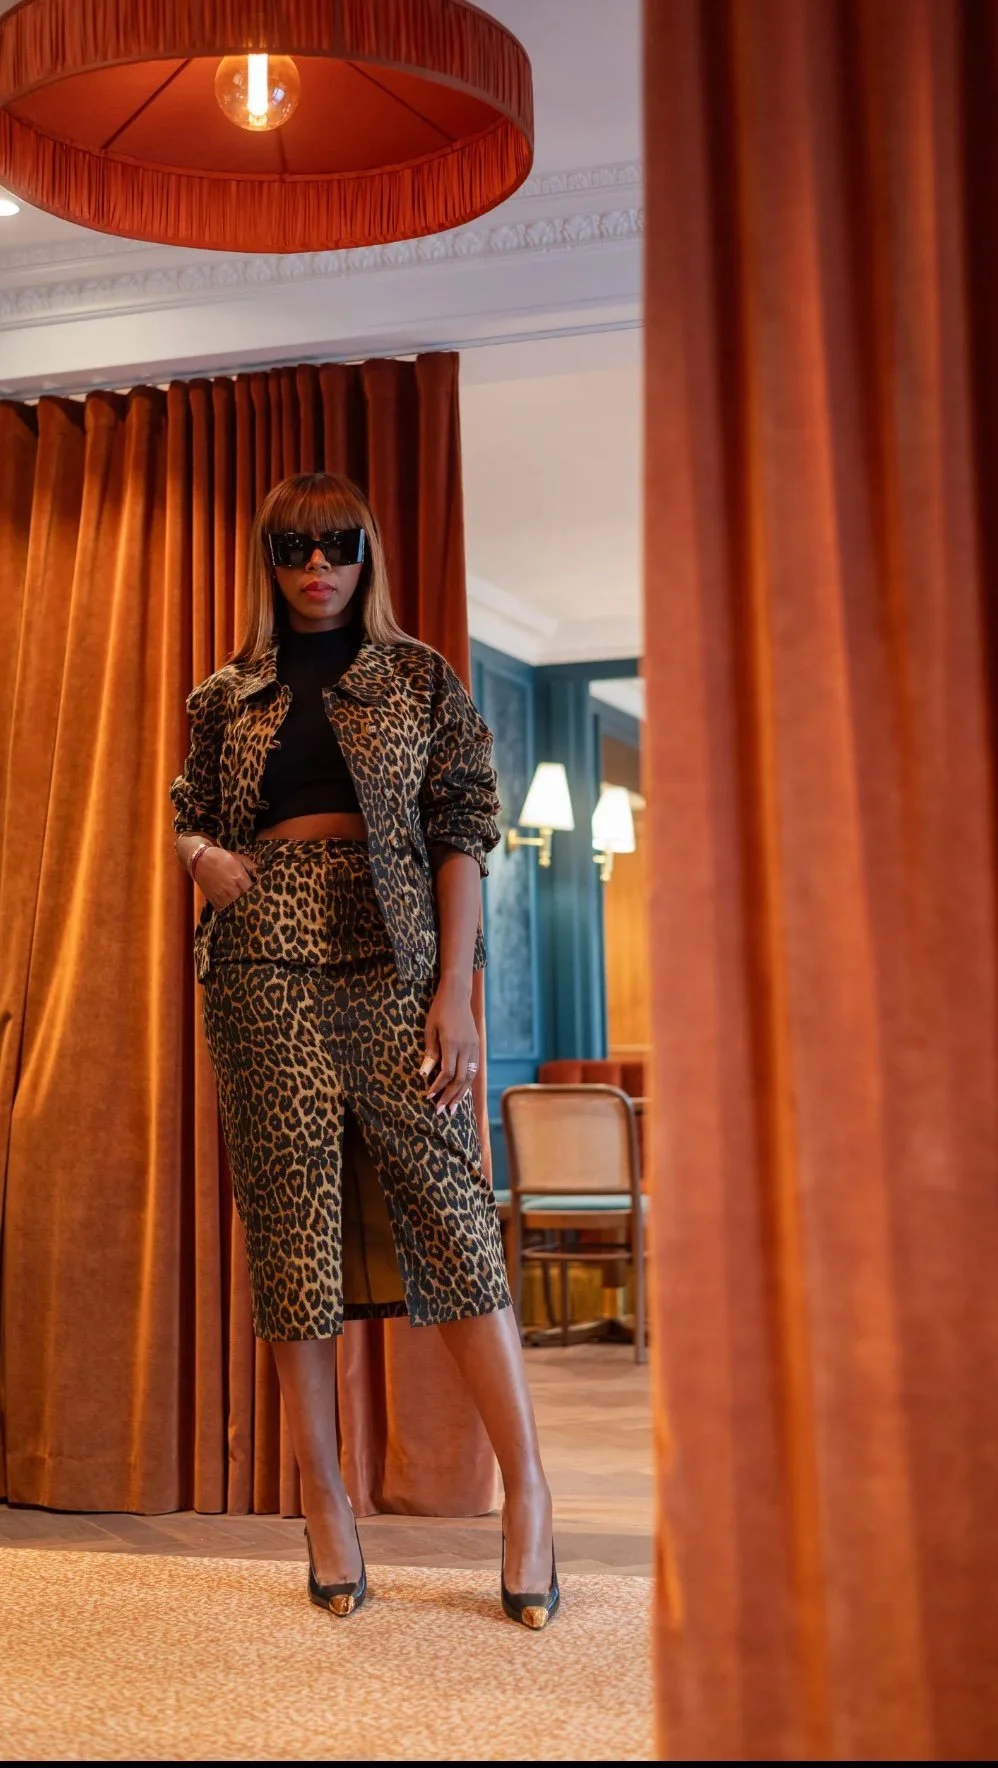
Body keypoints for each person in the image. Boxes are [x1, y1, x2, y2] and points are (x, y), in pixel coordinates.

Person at [170, 471, 557, 1628]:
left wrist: (456, 991)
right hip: (262, 959)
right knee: (291, 1233)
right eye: (294, 547)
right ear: (269, 559)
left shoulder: (418, 676)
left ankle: (528, 1493)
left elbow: (461, 827)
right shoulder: (225, 693)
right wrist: (199, 856)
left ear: (365, 554)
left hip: (392, 958)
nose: (316, 567)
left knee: (453, 1216)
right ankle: (324, 1503)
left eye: (336, 545)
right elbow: (189, 807)